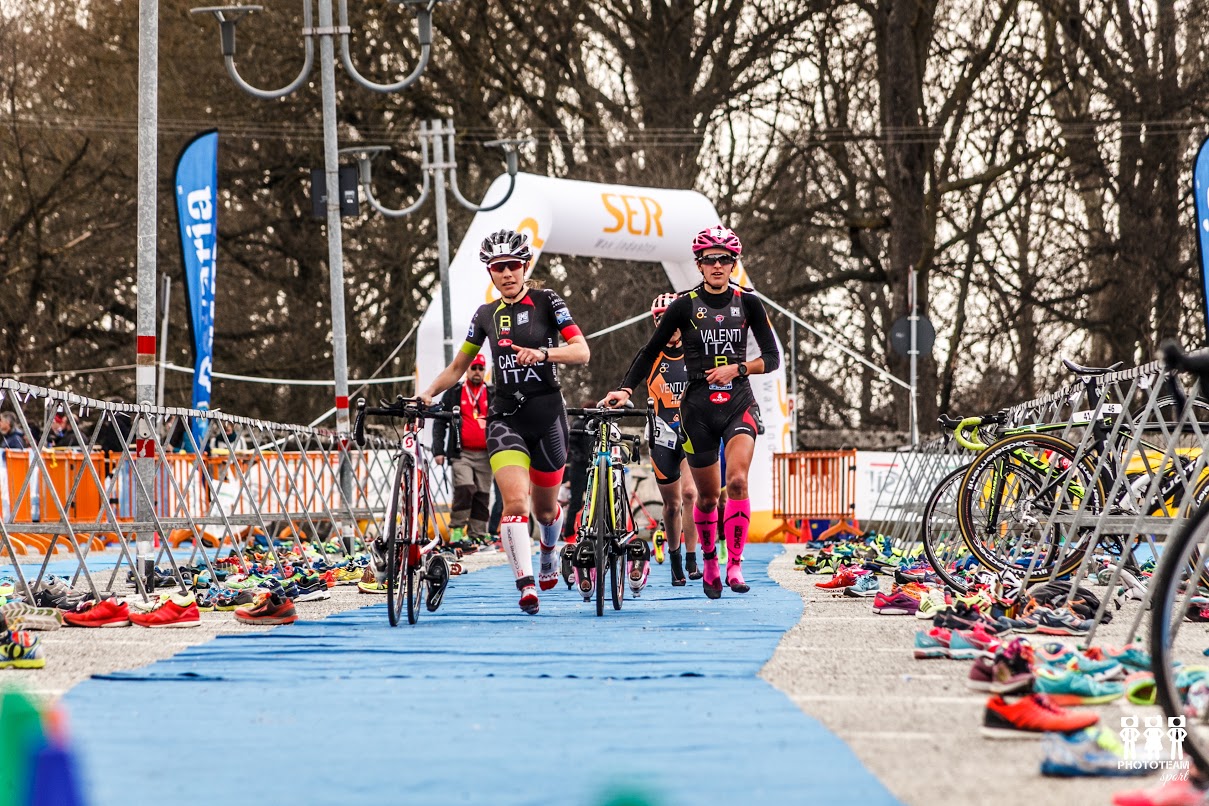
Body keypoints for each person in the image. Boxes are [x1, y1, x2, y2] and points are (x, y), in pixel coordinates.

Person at [602, 226, 780, 599]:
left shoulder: (748, 303)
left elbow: (772, 357)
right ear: (699, 264)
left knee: (738, 482)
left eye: (725, 259)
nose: (718, 266)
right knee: (707, 497)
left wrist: (739, 369)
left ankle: (735, 564)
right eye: (710, 259)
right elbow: (649, 351)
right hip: (697, 408)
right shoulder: (683, 305)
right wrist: (623, 388)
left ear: (734, 263)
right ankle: (710, 562)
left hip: (738, 402)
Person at [419, 229, 590, 615]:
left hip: (546, 415)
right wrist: (427, 393)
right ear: (490, 272)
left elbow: (582, 352)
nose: (507, 274)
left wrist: (544, 354)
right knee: (515, 503)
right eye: (499, 268)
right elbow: (458, 367)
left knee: (545, 511)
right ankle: (526, 585)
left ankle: (548, 550)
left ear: (525, 266)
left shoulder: (548, 300)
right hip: (504, 417)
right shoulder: (485, 315)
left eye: (513, 265)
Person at [635, 293, 701, 586]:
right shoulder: (650, 354)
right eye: (662, 319)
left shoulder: (695, 351)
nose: (669, 325)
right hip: (662, 437)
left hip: (692, 434)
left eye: (672, 318)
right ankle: (674, 559)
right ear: (656, 322)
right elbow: (629, 381)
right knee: (672, 505)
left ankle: (691, 558)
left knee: (691, 494)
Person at [431, 353, 493, 544]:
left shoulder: (492, 393)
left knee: (482, 494)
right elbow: (440, 422)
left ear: (485, 371)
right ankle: (457, 528)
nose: (476, 372)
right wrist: (439, 450)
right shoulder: (454, 392)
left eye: (480, 368)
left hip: (486, 453)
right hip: (461, 452)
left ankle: (478, 533)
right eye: (473, 367)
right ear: (467, 369)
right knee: (465, 487)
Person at [561, 399, 595, 541]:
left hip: (589, 466)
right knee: (575, 502)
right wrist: (582, 457)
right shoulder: (578, 424)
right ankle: (569, 533)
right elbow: (571, 446)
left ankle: (590, 530)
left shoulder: (592, 424)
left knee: (593, 501)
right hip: (579, 468)